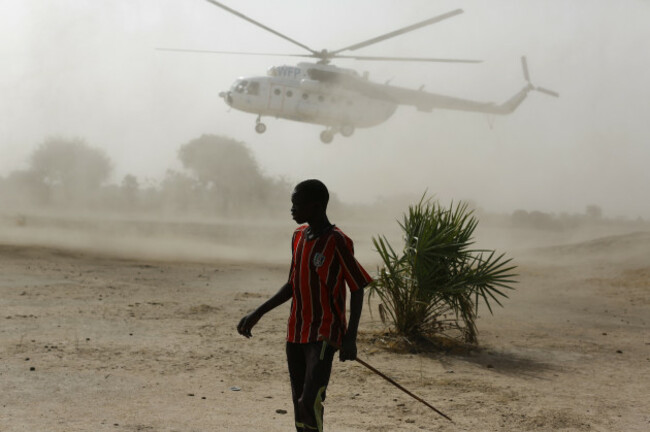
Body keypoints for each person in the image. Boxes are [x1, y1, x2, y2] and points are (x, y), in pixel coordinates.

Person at [237, 179, 372, 432]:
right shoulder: (298, 236)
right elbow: (292, 284)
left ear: (316, 206)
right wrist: (258, 313)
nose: (292, 209)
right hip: (296, 331)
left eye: (297, 204)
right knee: (299, 403)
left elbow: (357, 287)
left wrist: (350, 338)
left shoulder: (338, 241)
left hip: (324, 334)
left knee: (310, 400)